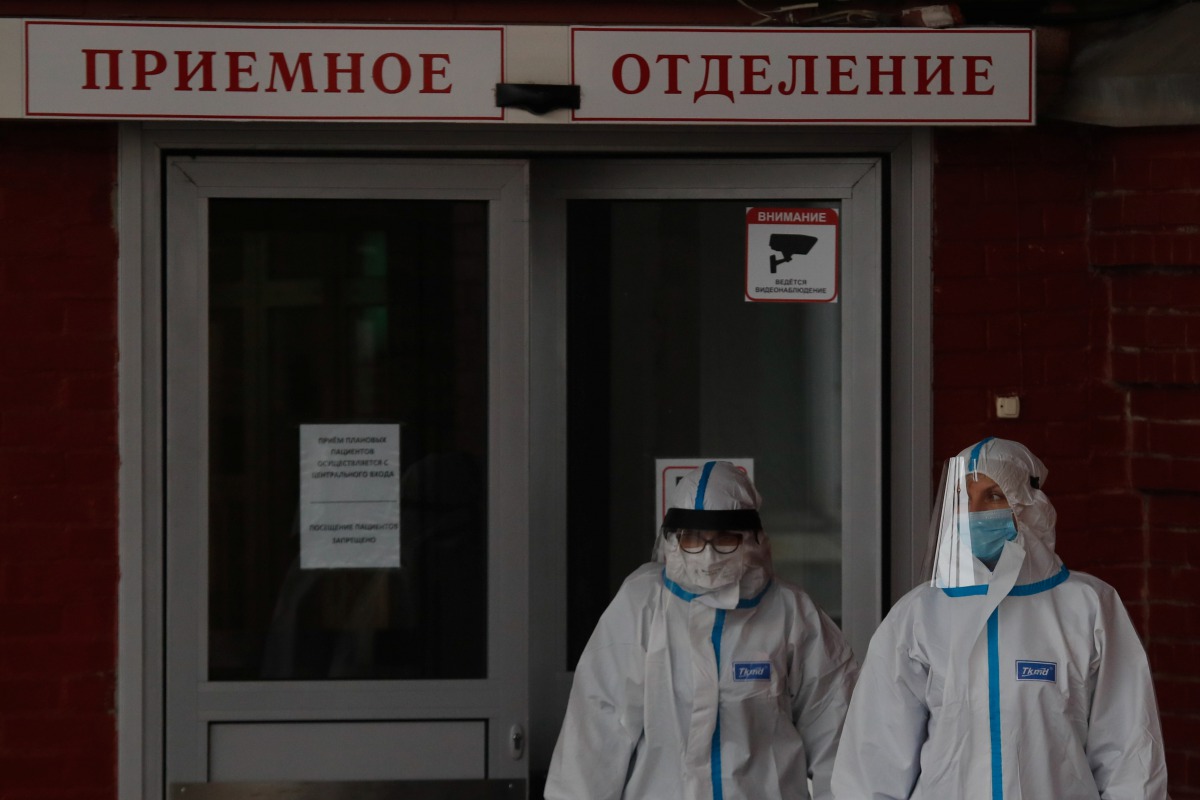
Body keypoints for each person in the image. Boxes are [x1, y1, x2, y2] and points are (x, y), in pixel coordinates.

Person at [831, 437, 1169, 799]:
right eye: (964, 498)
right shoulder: (917, 618)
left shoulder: (1088, 609)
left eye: (993, 496)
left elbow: (1131, 757)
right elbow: (873, 765)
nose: (975, 512)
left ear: (1030, 505)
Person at [545, 460, 859, 800]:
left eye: (725, 539)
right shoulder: (641, 609)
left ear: (753, 538)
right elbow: (594, 737)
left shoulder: (792, 615)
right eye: (693, 539)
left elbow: (837, 738)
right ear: (673, 539)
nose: (708, 556)